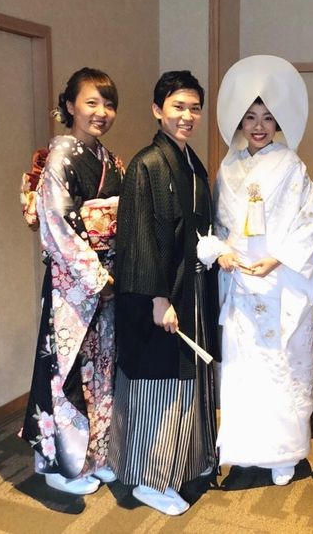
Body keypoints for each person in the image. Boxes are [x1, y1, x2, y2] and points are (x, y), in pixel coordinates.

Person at [108, 71, 219, 516]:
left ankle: (184, 462)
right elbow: (138, 238)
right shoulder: (147, 164)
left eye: (194, 108)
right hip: (157, 297)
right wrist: (158, 299)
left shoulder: (191, 163)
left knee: (186, 381)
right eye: (178, 106)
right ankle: (149, 479)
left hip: (189, 290)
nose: (187, 116)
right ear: (158, 110)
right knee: (158, 385)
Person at [212, 55, 313, 486]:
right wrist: (222, 251)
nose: (258, 126)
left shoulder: (292, 166)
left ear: (278, 122)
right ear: (239, 122)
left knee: (280, 369)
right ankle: (243, 453)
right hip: (239, 283)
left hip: (279, 283)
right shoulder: (228, 167)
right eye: (250, 117)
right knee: (242, 371)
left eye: (267, 117)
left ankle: (283, 455)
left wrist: (277, 257)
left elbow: (312, 219)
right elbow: (219, 223)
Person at [21, 68, 122, 495]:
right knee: (65, 371)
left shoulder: (109, 159)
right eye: (91, 102)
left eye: (108, 104)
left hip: (108, 278)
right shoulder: (61, 156)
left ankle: (92, 455)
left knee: (101, 368)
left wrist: (116, 273)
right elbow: (58, 224)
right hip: (73, 281)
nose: (101, 112)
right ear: (69, 106)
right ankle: (57, 464)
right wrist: (97, 276)